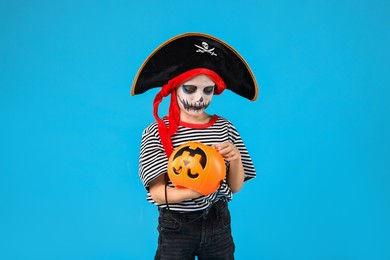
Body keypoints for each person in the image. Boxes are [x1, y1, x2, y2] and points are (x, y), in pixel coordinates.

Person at [131, 32, 258, 259]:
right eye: (190, 89)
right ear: (174, 88)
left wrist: (236, 158)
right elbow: (158, 193)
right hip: (177, 227)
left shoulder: (224, 127)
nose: (200, 97)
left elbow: (235, 187)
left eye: (207, 90)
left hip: (218, 222)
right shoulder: (156, 132)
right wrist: (197, 189)